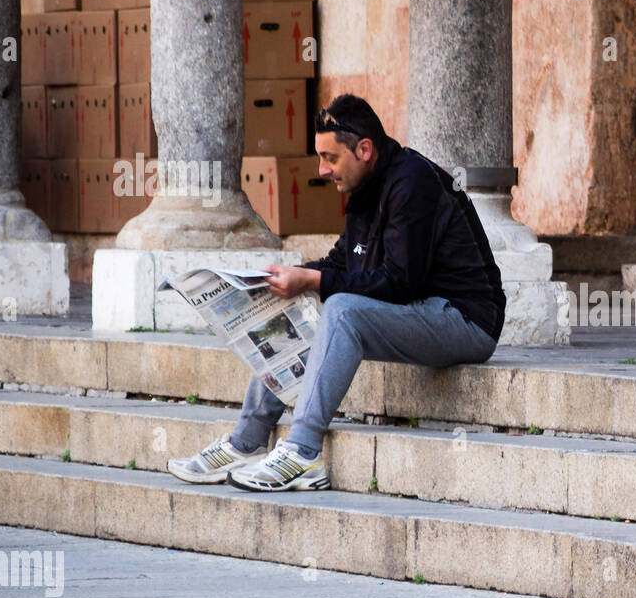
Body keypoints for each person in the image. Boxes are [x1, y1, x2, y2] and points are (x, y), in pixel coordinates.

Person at [167, 93, 506, 491]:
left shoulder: (413, 182)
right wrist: (287, 276)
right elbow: (343, 265)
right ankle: (248, 441)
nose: (322, 170)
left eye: (330, 158)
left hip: (464, 320)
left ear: (364, 150)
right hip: (420, 312)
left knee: (342, 309)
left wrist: (316, 281)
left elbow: (400, 283)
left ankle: (303, 453)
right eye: (319, 158)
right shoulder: (362, 189)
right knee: (298, 296)